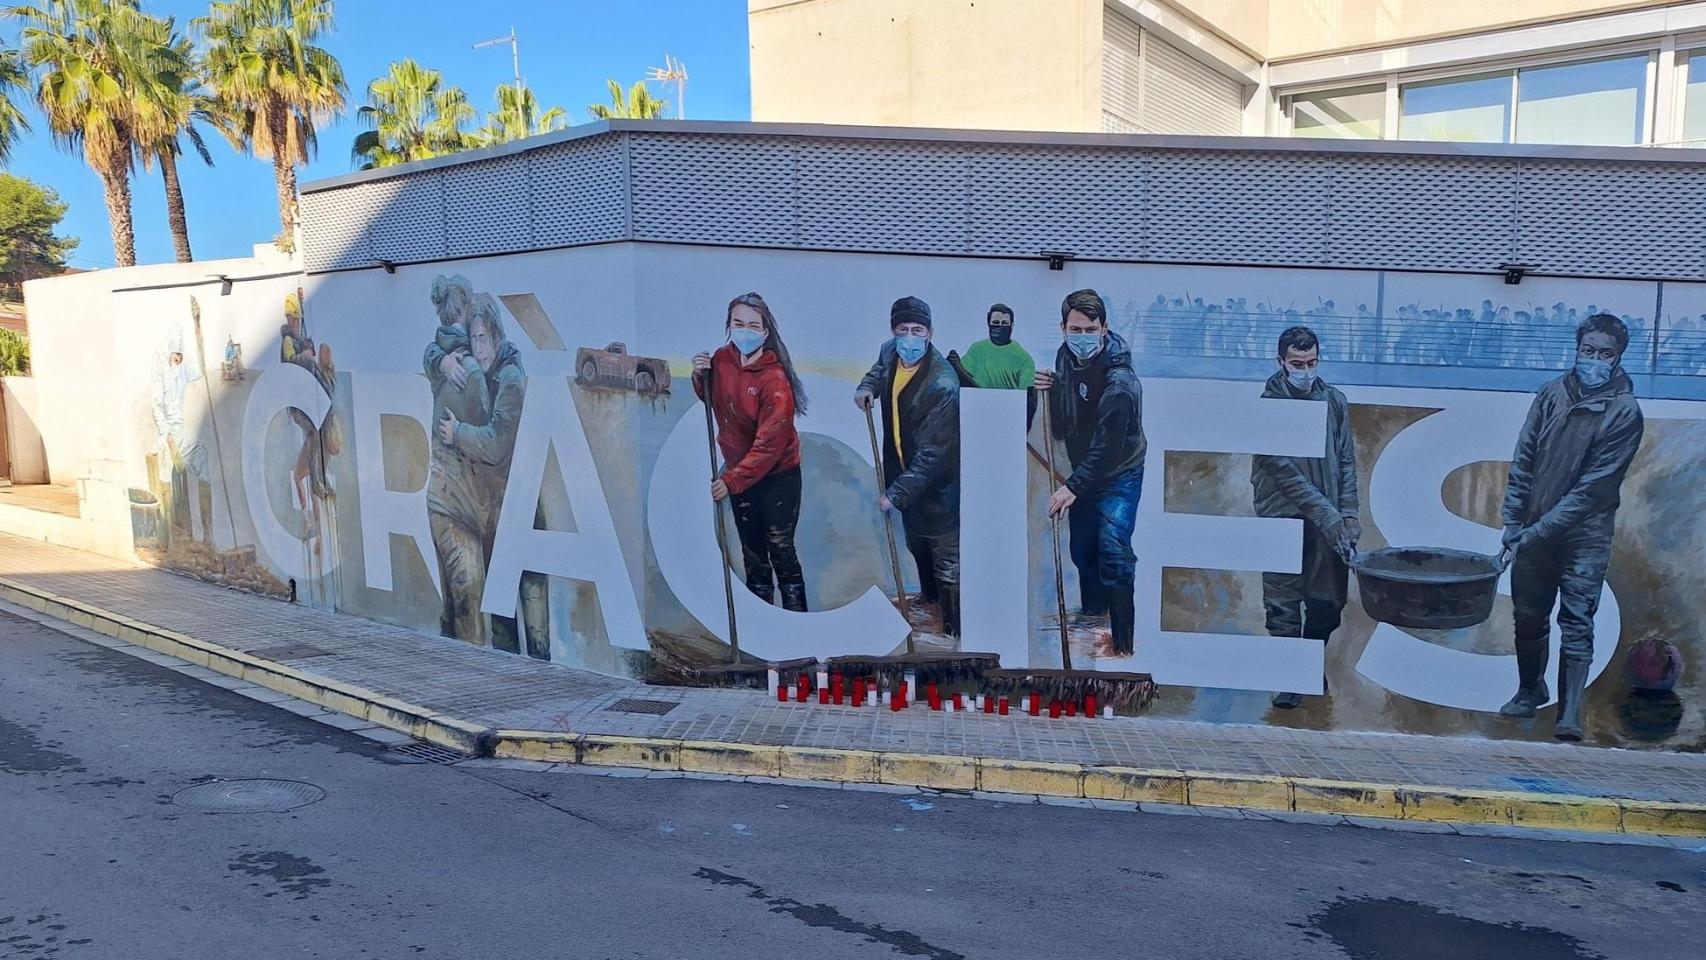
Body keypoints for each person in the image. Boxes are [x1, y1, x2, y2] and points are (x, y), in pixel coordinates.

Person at [1499, 313, 1645, 741]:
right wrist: (1512, 521)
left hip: (1585, 536)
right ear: (1576, 349)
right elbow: (1523, 459)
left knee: (1577, 621)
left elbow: (1593, 490)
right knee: (1528, 616)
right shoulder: (1551, 394)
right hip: (1531, 530)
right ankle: (1530, 690)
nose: (1594, 360)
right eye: (1588, 351)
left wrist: (1536, 530)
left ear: (1618, 358)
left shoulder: (1625, 412)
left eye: (1605, 354)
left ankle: (1569, 714)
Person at [1250, 326, 1360, 709]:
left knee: (1328, 602)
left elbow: (1346, 459)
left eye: (1311, 362)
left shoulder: (1335, 401)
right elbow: (1283, 473)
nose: (1305, 370)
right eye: (1297, 363)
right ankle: (1291, 676)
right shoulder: (1268, 404)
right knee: (1282, 601)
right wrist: (1331, 515)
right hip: (1280, 515)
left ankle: (1310, 662)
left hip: (1328, 516)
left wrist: (1348, 513)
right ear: (1281, 361)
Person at [1033, 289, 1145, 657]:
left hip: (1119, 473)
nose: (1081, 337)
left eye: (1089, 329)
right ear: (1063, 328)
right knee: (1083, 550)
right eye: (1074, 329)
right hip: (1084, 469)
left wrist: (1072, 487)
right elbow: (1065, 427)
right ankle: (1095, 618)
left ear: (1105, 328)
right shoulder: (1065, 357)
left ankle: (1124, 642)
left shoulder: (1121, 385)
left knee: (1113, 551)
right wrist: (1051, 391)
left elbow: (1107, 447)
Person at [692, 292, 812, 612]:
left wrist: (730, 481)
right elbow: (713, 399)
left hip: (777, 476)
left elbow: (769, 446)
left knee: (780, 548)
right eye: (738, 323)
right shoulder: (722, 359)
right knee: (753, 553)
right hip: (739, 473)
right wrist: (700, 375)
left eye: (752, 325)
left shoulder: (775, 381)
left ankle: (796, 621)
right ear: (730, 326)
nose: (744, 330)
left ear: (765, 331)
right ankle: (760, 623)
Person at [854, 296, 963, 637]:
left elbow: (933, 455)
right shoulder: (891, 352)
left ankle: (952, 627)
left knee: (945, 554)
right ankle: (930, 603)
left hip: (938, 481)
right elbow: (878, 369)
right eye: (903, 330)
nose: (910, 338)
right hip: (903, 470)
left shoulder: (942, 383)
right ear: (894, 331)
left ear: (930, 333)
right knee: (916, 542)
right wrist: (867, 387)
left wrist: (896, 495)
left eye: (918, 330)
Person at [150, 321, 211, 548]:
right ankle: (167, 540)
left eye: (181, 354)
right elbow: (156, 407)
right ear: (169, 352)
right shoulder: (160, 375)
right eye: (176, 354)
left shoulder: (181, 371)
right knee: (166, 482)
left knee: (203, 462)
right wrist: (169, 439)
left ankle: (204, 534)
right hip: (167, 435)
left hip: (181, 431)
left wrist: (198, 332)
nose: (179, 358)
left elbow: (200, 369)